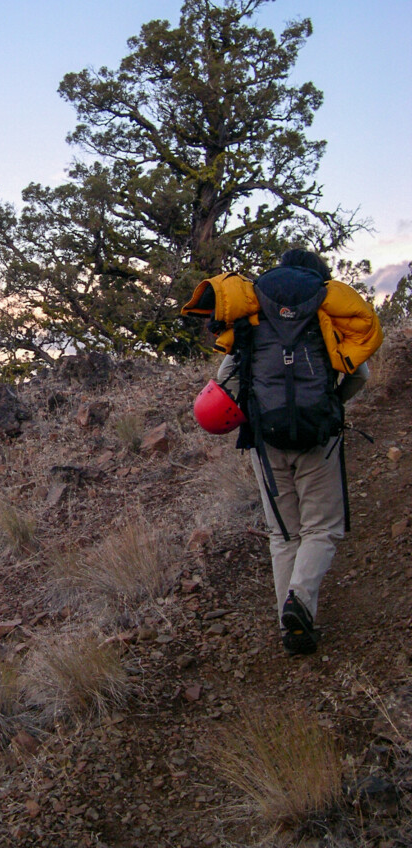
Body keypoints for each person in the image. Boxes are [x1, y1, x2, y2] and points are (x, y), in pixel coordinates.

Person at [183, 248, 383, 655]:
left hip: (266, 438)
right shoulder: (325, 311)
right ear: (318, 278)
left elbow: (226, 377)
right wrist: (334, 402)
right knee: (322, 527)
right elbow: (359, 373)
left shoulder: (253, 311)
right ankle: (300, 603)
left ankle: (288, 626)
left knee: (284, 532)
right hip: (318, 434)